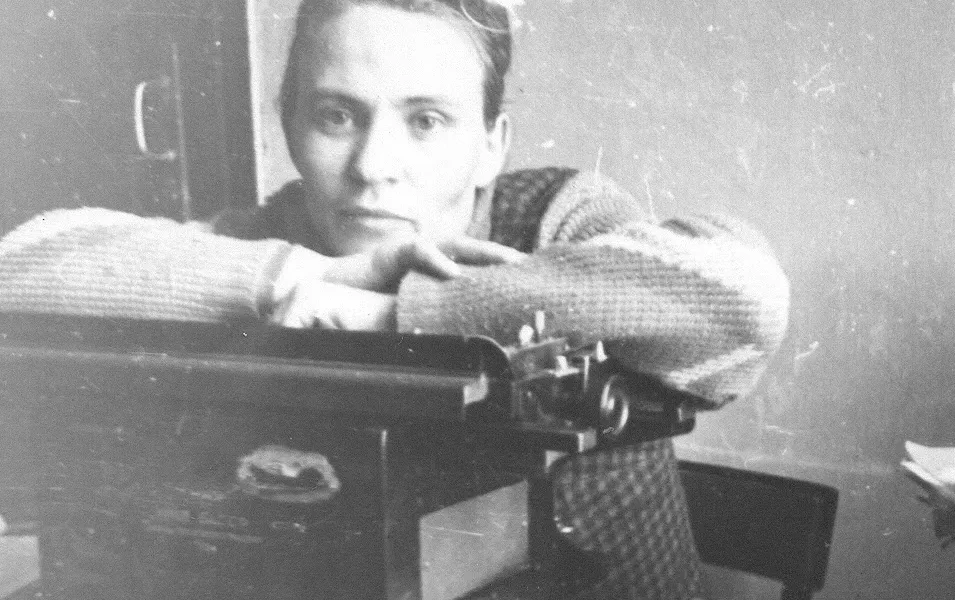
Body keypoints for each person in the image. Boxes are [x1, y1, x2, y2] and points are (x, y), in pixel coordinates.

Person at [0, 0, 789, 597]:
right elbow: (19, 266)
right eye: (335, 115)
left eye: (426, 121)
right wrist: (296, 280)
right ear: (287, 124)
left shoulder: (558, 221)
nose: (374, 165)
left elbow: (747, 304)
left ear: (491, 145)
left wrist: (395, 316)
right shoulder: (269, 239)